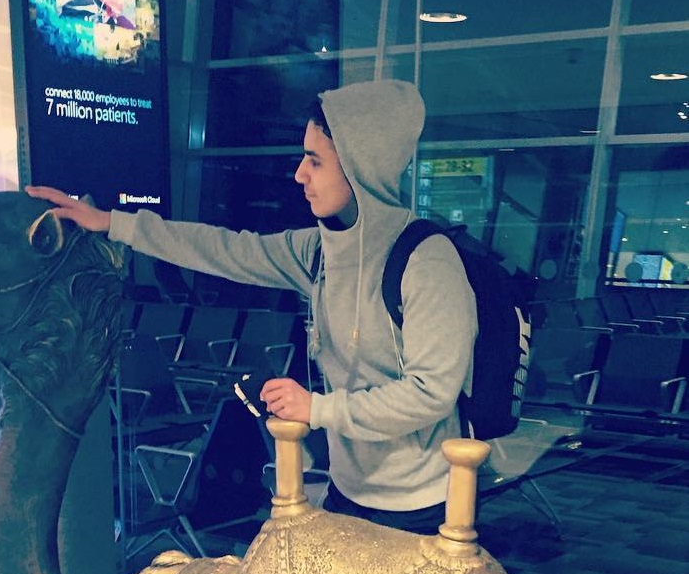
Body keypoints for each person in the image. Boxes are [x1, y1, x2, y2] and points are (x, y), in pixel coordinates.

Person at [26, 79, 478, 536]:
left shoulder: (426, 260)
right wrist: (112, 223)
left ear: (361, 169)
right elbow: (225, 249)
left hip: (420, 505)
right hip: (348, 492)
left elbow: (431, 392)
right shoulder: (320, 252)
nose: (299, 174)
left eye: (315, 161)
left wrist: (317, 409)